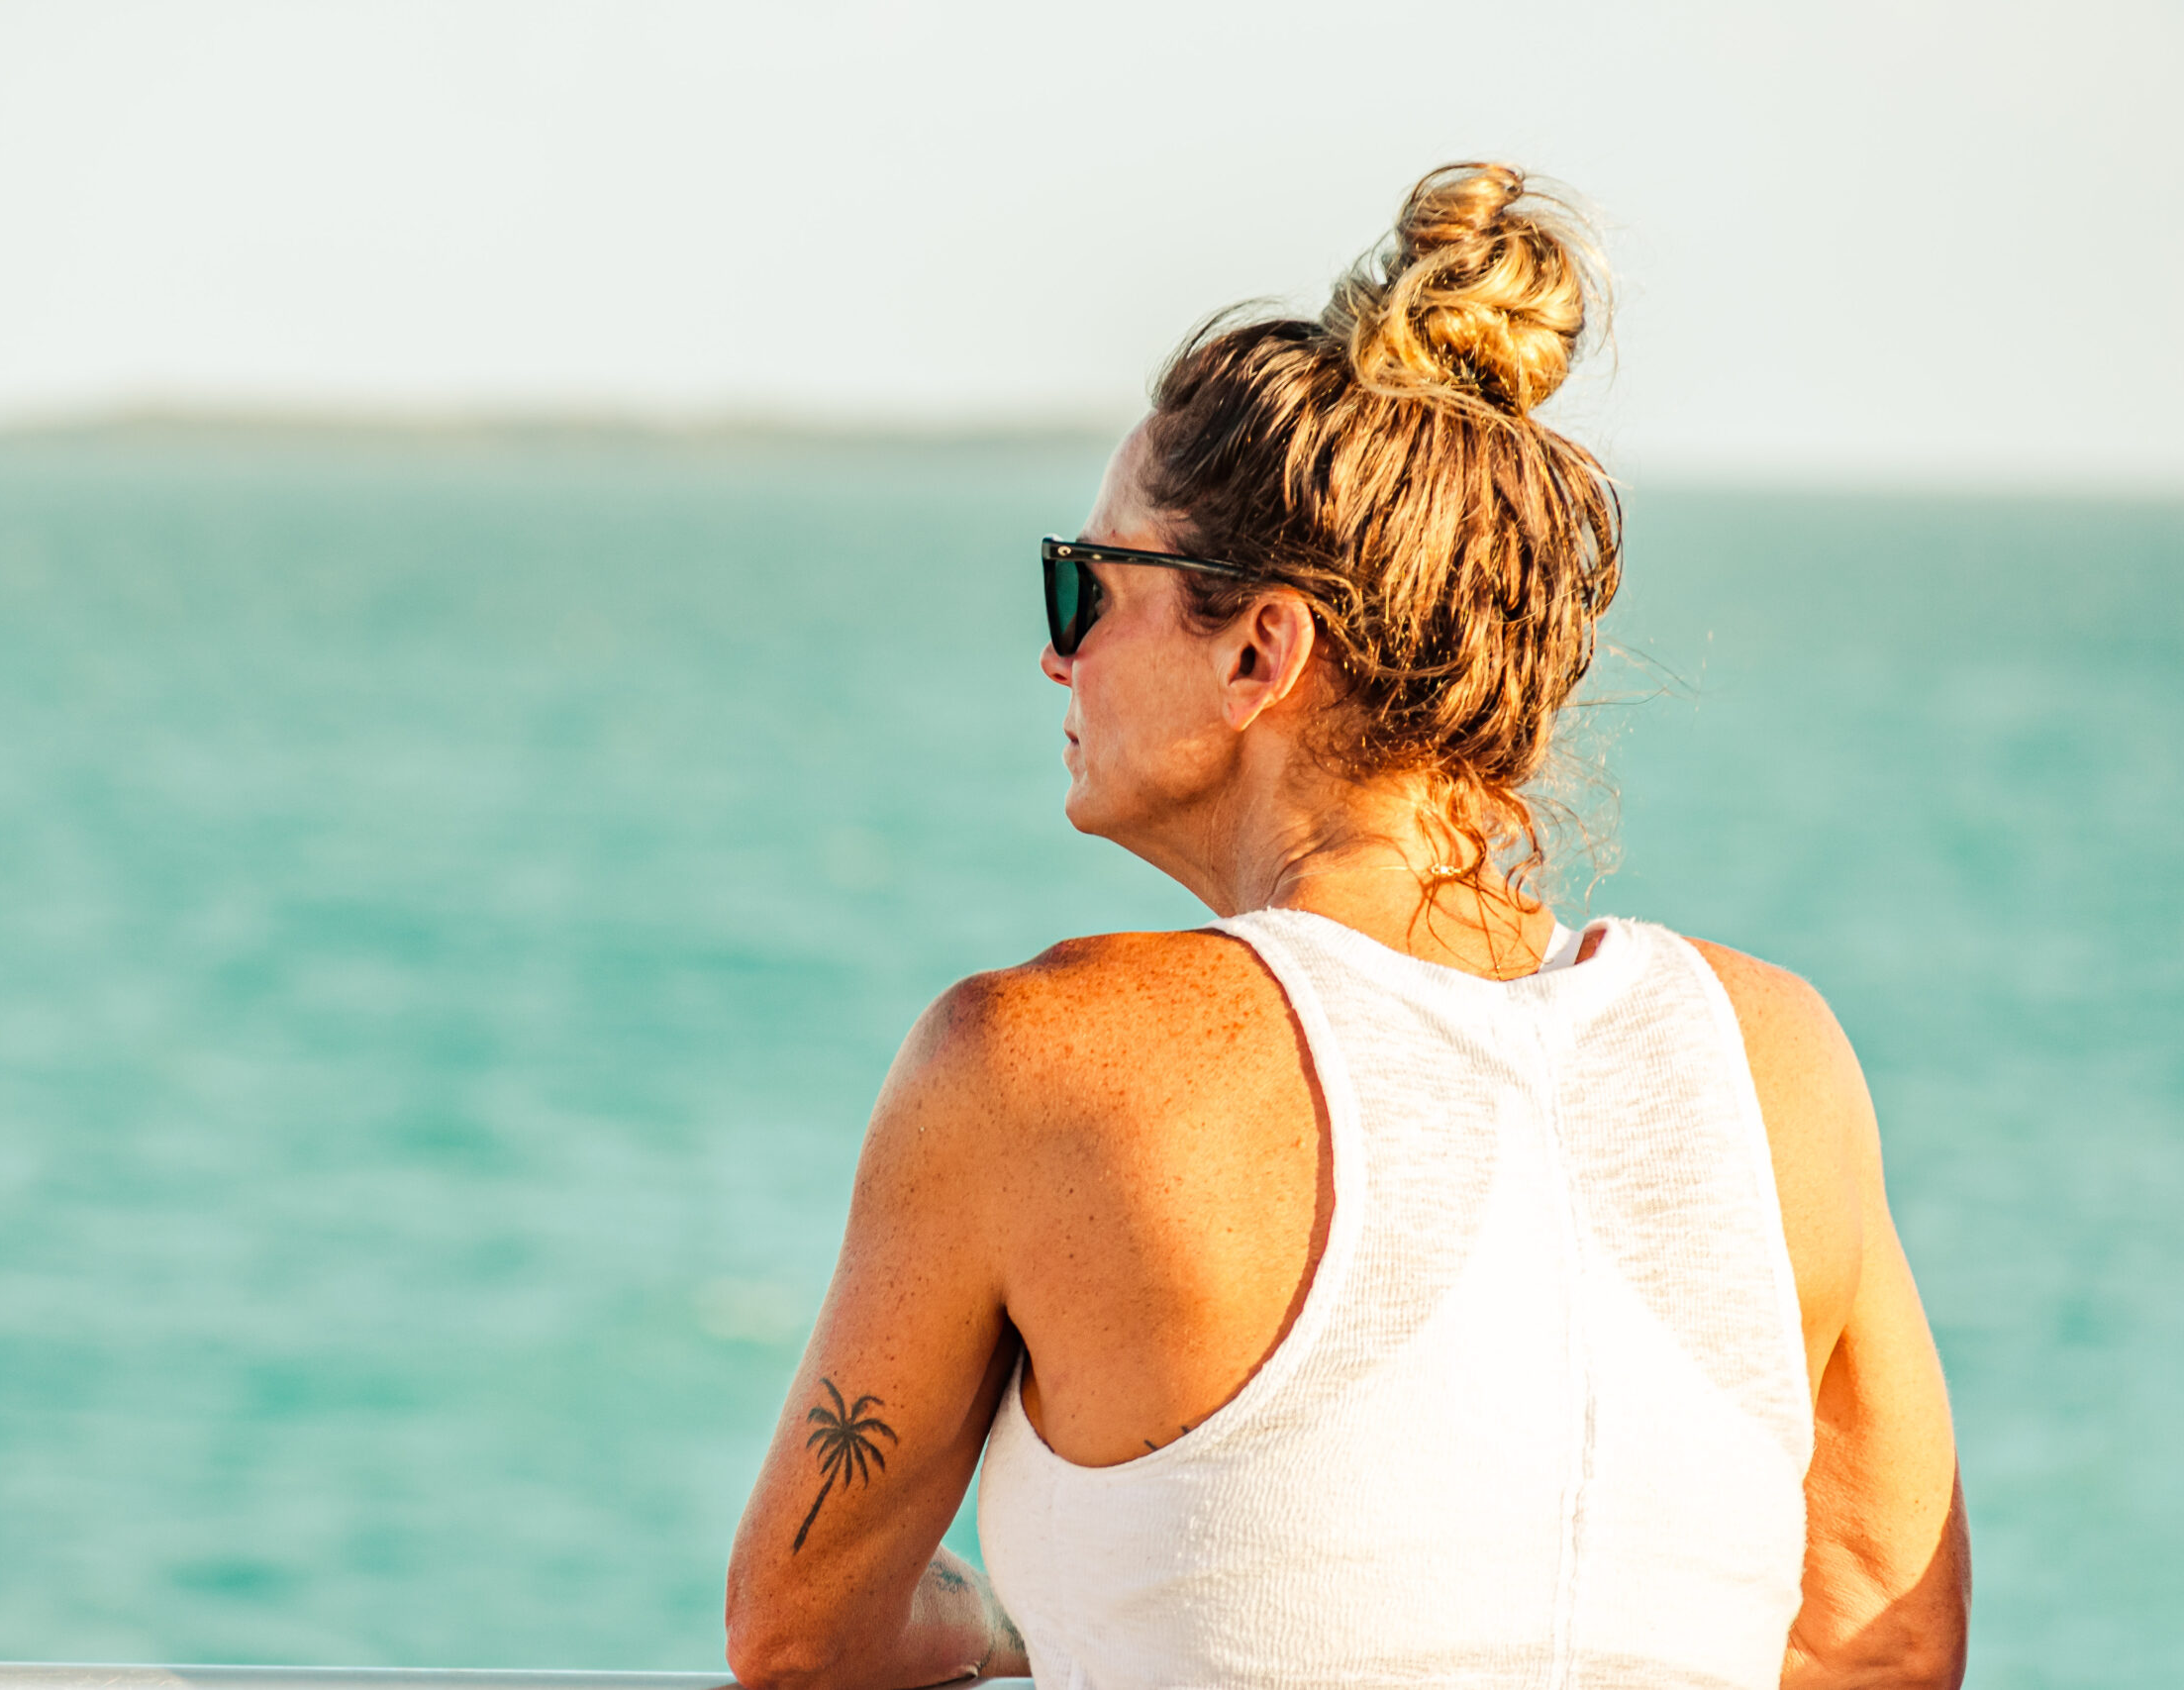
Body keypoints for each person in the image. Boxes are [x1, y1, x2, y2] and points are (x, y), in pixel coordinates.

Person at [723, 162, 1968, 1690]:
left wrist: (1000, 1629)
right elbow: (1883, 1638)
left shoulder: (1038, 1061)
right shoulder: (1780, 1065)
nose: (1060, 662)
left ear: (1260, 650)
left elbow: (800, 1632)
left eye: (1084, 590)